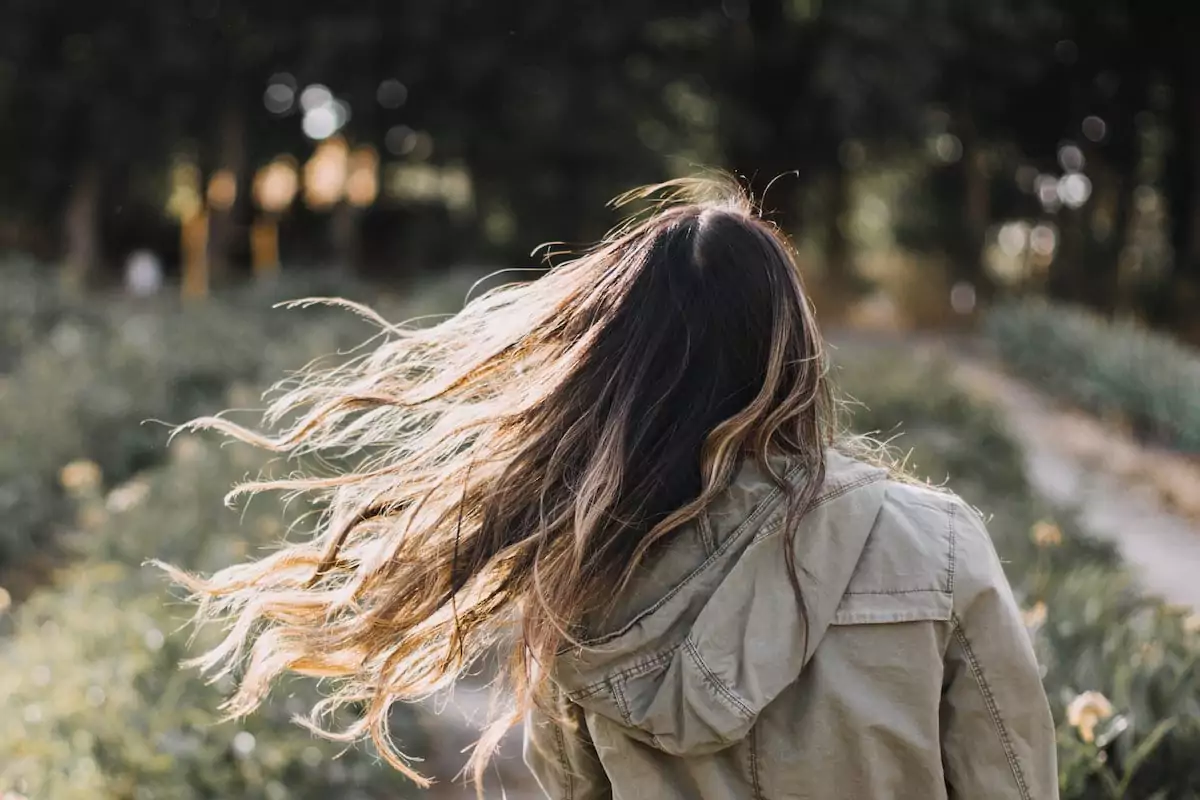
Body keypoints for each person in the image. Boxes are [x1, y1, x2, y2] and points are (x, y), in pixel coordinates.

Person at [164, 178, 1058, 799]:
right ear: (795, 354)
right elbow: (1013, 780)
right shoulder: (935, 546)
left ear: (626, 371)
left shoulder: (585, 571)